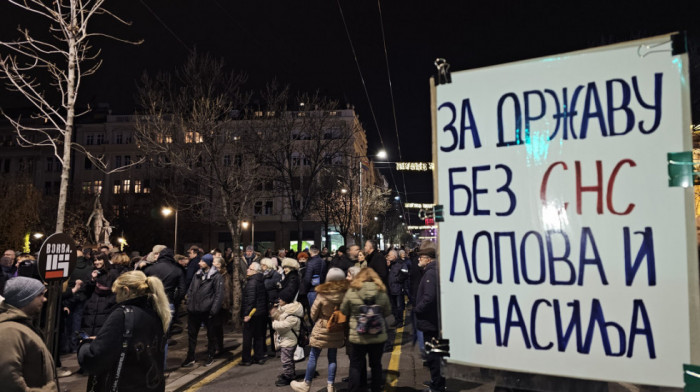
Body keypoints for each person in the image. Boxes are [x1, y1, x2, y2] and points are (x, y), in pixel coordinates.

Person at [78, 271, 171, 392]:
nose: (115, 298)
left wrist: (84, 345)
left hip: (125, 385)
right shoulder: (157, 312)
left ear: (126, 291)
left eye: (116, 293)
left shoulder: (122, 314)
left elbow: (95, 358)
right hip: (150, 386)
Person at [290, 268, 349, 392]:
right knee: (332, 357)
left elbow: (313, 313)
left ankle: (306, 384)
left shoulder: (323, 293)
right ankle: (330, 386)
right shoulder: (345, 294)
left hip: (322, 326)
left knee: (313, 356)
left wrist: (319, 319)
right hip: (336, 327)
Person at [0, 277, 58, 391]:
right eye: (40, 294)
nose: (44, 299)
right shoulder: (10, 331)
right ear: (25, 299)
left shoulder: (20, 325)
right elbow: (8, 380)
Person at [340, 267, 392, 392]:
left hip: (358, 336)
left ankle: (356, 389)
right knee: (376, 365)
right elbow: (387, 312)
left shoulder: (352, 291)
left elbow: (344, 310)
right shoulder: (381, 291)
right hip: (377, 336)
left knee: (356, 366)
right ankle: (376, 389)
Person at [182, 253, 223, 368]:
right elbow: (190, 290)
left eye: (202, 261)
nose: (199, 263)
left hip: (207, 310)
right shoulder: (197, 274)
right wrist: (189, 303)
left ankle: (210, 355)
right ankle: (190, 357)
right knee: (191, 335)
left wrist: (213, 310)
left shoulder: (216, 276)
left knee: (211, 334)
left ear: (208, 263)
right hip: (194, 310)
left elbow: (218, 295)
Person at [414, 246, 444, 392]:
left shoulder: (430, 273)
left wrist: (417, 309)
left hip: (431, 322)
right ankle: (437, 382)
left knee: (434, 357)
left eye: (421, 256)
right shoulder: (434, 271)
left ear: (428, 259)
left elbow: (429, 298)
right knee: (438, 355)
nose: (419, 259)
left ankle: (437, 386)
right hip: (436, 321)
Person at [270, 287, 303, 386]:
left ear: (286, 300)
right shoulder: (285, 309)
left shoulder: (292, 314)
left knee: (286, 359)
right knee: (288, 359)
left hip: (289, 340)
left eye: (280, 299)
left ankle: (289, 377)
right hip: (286, 338)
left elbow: (283, 326)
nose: (278, 300)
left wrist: (274, 323)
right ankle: (290, 374)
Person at [240, 262, 268, 366]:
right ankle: (259, 357)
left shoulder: (252, 282)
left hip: (252, 314)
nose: (247, 270)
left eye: (250, 269)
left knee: (247, 337)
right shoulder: (260, 280)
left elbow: (250, 300)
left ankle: (246, 359)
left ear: (255, 271)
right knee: (259, 336)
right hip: (260, 313)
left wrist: (247, 314)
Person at [261, 257, 282, 356]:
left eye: (263, 265)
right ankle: (264, 349)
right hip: (265, 303)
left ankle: (276, 348)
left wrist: (276, 302)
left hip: (272, 303)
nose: (262, 267)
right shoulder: (263, 275)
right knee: (264, 327)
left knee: (274, 327)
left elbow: (278, 289)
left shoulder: (276, 275)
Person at [212, 256, 232, 356]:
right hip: (213, 306)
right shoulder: (213, 274)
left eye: (215, 262)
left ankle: (218, 348)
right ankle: (215, 347)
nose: (213, 264)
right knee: (213, 328)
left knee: (217, 328)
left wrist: (223, 307)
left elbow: (226, 293)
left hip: (219, 307)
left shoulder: (225, 276)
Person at [302, 245, 327, 312]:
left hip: (312, 290)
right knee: (320, 310)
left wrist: (304, 290)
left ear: (310, 251)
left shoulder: (310, 263)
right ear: (318, 251)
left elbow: (307, 279)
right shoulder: (323, 262)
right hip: (321, 288)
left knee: (313, 311)